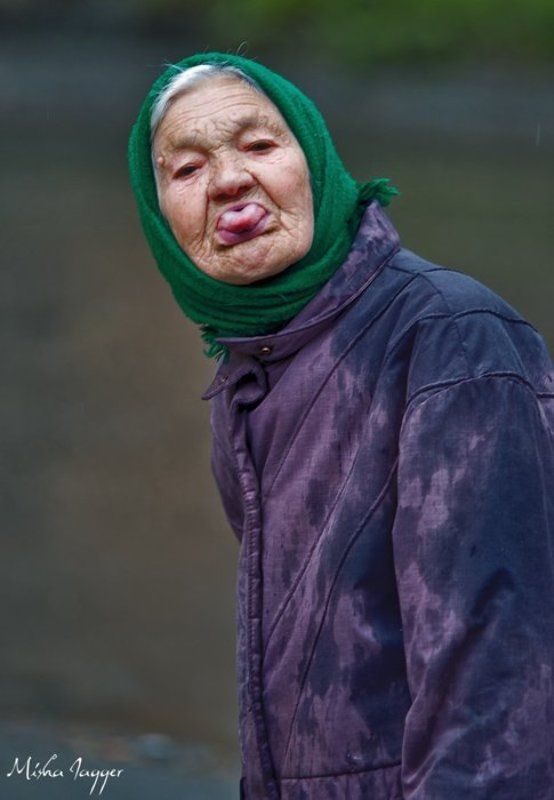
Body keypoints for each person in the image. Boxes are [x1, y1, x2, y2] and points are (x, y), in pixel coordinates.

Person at [128, 52, 554, 800]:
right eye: (187, 169)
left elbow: (495, 680)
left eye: (260, 145)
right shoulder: (252, 368)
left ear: (316, 163)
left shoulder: (450, 338)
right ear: (159, 216)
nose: (228, 180)